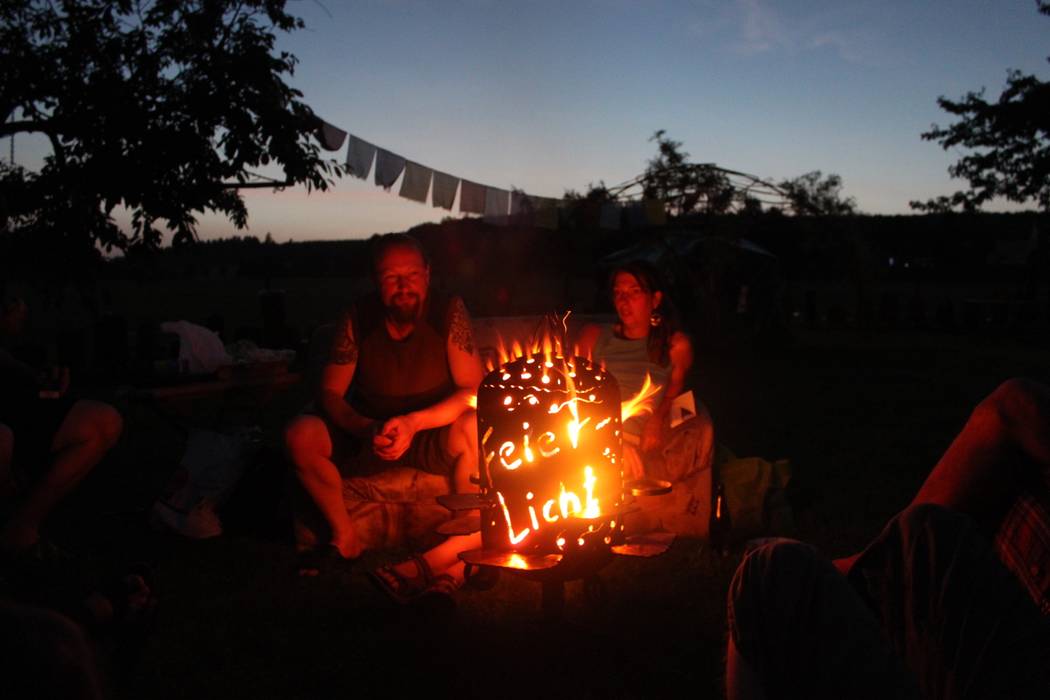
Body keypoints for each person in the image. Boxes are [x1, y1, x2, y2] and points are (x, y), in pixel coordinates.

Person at [726, 378, 1050, 700]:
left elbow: (1011, 407)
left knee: (768, 574)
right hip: (955, 630)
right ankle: (874, 572)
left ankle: (873, 572)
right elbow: (1008, 409)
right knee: (778, 570)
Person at [284, 233, 482, 571]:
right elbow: (330, 393)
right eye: (391, 276)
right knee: (300, 434)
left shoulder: (448, 312)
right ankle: (345, 538)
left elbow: (473, 392)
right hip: (369, 430)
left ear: (428, 274)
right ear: (377, 280)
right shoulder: (358, 317)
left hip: (431, 429)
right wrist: (365, 427)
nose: (403, 285)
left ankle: (464, 537)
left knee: (474, 426)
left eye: (412, 274)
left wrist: (414, 422)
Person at [0, 287, 124, 563]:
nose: (24, 315)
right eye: (17, 309)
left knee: (102, 421)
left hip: (15, 414)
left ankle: (22, 527)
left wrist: (37, 379)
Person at [576, 260, 714, 487]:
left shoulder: (676, 346)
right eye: (618, 293)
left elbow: (676, 395)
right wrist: (610, 439)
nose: (623, 301)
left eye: (634, 292)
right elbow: (574, 396)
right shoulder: (593, 336)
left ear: (655, 300)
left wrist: (657, 420)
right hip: (592, 432)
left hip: (637, 440)